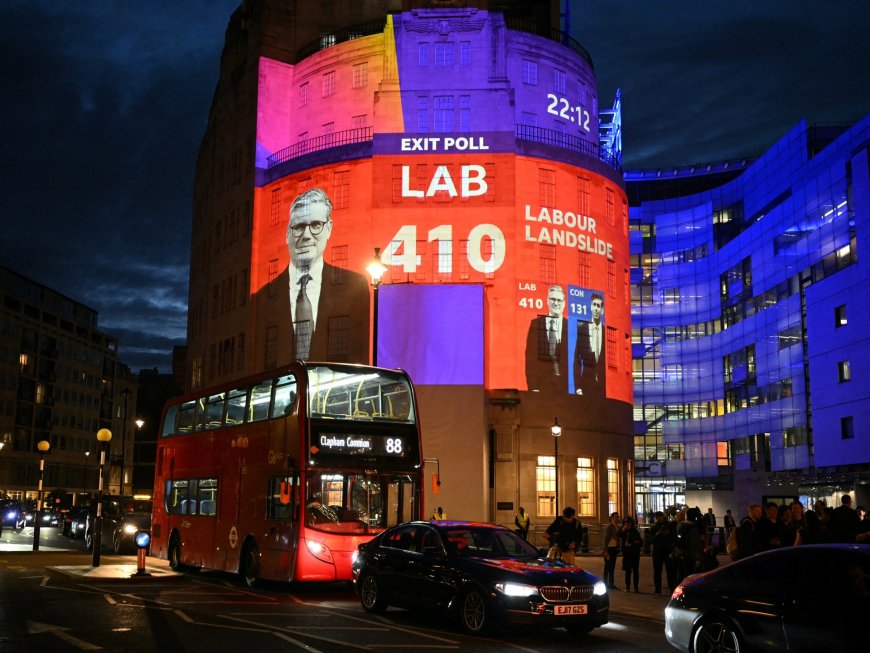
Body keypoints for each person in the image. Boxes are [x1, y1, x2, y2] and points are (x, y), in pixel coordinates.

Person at [260, 187, 370, 363]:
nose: (306, 236)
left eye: (316, 225)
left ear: (329, 228)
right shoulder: (262, 297)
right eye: (299, 227)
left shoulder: (355, 285)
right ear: (288, 234)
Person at [524, 285, 570, 393]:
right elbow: (530, 358)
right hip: (541, 386)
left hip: (565, 389)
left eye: (559, 300)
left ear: (564, 303)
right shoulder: (536, 324)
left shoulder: (570, 326)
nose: (556, 303)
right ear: (547, 301)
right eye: (553, 299)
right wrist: (533, 387)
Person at [574, 293, 607, 400]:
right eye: (594, 305)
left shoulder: (606, 332)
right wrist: (578, 387)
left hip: (603, 387)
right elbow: (576, 359)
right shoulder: (582, 328)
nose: (596, 309)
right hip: (586, 384)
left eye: (599, 306)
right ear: (591, 307)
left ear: (602, 310)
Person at [649, 511, 677, 594]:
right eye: (657, 516)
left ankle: (672, 587)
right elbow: (650, 540)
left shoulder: (670, 525)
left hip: (668, 551)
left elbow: (674, 537)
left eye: (660, 516)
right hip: (658, 551)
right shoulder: (654, 527)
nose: (659, 518)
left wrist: (668, 534)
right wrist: (657, 535)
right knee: (657, 571)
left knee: (670, 571)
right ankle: (658, 589)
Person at [620, 516, 642, 593]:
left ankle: (636, 587)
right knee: (627, 571)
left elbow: (640, 542)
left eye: (628, 523)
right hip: (627, 554)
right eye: (625, 523)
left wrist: (635, 543)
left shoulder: (635, 531)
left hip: (634, 554)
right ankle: (627, 586)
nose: (627, 524)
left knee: (635, 571)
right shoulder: (623, 531)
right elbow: (618, 535)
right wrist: (623, 530)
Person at [601, 512, 621, 589]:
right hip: (609, 548)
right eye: (616, 517)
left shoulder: (617, 527)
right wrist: (605, 551)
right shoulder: (609, 526)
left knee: (612, 567)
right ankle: (606, 583)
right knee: (607, 566)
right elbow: (605, 539)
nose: (617, 519)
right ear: (612, 518)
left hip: (614, 548)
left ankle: (611, 583)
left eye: (618, 517)